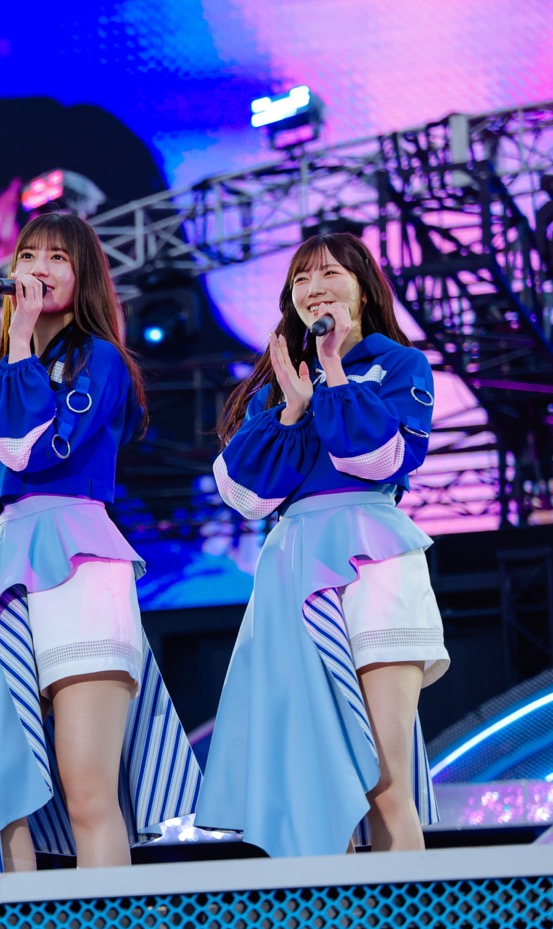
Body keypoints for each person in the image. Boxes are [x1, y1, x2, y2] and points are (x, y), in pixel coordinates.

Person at [0, 213, 202, 875]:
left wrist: (19, 342)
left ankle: (109, 920)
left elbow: (33, 450)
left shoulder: (100, 359)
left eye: (59, 257)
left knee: (88, 795)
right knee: (3, 801)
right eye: (29, 255)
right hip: (8, 577)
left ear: (83, 276)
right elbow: (0, 504)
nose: (40, 268)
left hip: (81, 570)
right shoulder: (9, 373)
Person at [196, 232, 450, 857]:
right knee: (306, 780)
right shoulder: (278, 384)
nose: (314, 288)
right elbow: (246, 496)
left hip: (374, 562)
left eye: (330, 273)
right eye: (301, 278)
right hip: (291, 570)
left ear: (364, 288)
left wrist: (334, 372)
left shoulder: (400, 365)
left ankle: (405, 906)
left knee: (384, 780)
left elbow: (376, 460)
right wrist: (290, 410)